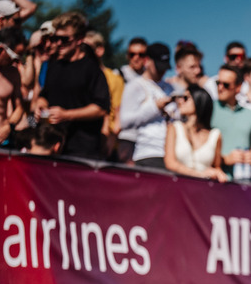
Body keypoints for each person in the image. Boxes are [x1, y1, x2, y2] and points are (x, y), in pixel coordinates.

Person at [34, 11, 111, 159]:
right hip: (52, 144)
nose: (58, 43)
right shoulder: (54, 65)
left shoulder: (92, 69)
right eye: (56, 38)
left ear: (79, 39)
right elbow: (45, 95)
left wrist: (67, 115)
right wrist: (40, 105)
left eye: (64, 39)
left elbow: (101, 108)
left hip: (83, 148)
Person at [119, 42, 177, 169]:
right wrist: (154, 107)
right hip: (147, 154)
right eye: (158, 67)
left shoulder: (170, 88)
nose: (162, 71)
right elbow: (124, 121)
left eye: (164, 67)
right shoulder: (135, 86)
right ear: (147, 61)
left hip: (172, 154)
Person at [164, 85, 227, 182]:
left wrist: (219, 173)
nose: (180, 101)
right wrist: (199, 175)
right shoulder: (175, 127)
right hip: (178, 187)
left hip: (203, 190)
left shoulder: (215, 135)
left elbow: (216, 167)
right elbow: (170, 163)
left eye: (185, 98)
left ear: (199, 101)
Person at [84, 30, 124, 160]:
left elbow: (117, 112)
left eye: (87, 48)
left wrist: (111, 138)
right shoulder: (79, 76)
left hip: (106, 142)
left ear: (99, 50)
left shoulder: (114, 79)